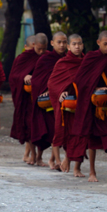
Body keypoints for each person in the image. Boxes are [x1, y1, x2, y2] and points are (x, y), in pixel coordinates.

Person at [69, 31, 107, 183]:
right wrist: (95, 89)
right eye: (105, 44)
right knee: (92, 139)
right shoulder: (91, 58)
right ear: (98, 42)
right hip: (92, 104)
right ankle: (92, 172)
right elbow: (80, 79)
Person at [48, 34, 87, 176]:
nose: (77, 47)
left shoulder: (86, 62)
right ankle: (61, 160)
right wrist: (60, 92)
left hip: (82, 103)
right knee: (64, 132)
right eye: (74, 44)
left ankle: (76, 167)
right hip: (67, 105)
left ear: (83, 45)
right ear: (69, 47)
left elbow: (92, 80)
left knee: (80, 135)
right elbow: (52, 83)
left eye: (79, 44)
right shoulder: (63, 63)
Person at [30, 32, 66, 169]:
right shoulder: (46, 59)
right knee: (50, 129)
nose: (62, 45)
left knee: (58, 130)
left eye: (64, 42)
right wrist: (46, 89)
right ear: (52, 43)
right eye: (59, 42)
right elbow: (37, 79)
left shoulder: (69, 59)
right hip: (47, 101)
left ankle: (53, 160)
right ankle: (52, 160)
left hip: (64, 99)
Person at [9, 35, 41, 165]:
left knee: (38, 126)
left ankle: (34, 155)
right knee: (28, 125)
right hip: (26, 98)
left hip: (40, 97)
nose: (34, 51)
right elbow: (13, 76)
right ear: (26, 47)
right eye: (32, 48)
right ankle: (31, 154)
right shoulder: (22, 59)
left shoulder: (44, 56)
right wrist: (24, 76)